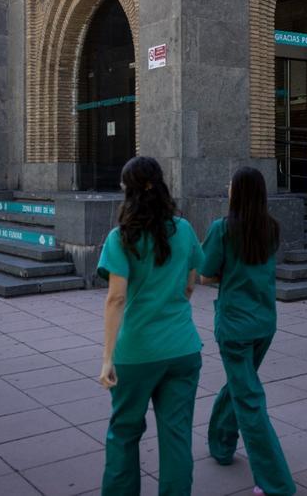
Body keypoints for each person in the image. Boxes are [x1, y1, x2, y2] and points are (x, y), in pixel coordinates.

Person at [97, 156, 203, 496]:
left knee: (124, 433)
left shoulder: (121, 237)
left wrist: (107, 357)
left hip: (137, 351)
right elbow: (191, 281)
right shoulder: (184, 229)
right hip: (183, 347)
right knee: (177, 437)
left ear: (129, 190)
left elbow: (116, 299)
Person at [199, 167, 296, 496]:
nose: (227, 188)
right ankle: (221, 444)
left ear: (237, 192)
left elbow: (206, 275)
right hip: (264, 323)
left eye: (231, 185)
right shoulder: (271, 227)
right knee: (242, 385)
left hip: (234, 326)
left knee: (249, 399)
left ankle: (275, 483)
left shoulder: (222, 229)